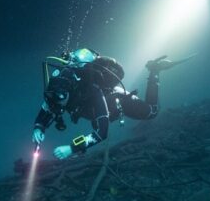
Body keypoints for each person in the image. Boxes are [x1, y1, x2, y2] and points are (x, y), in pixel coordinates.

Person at [31, 48, 189, 160]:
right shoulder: (57, 88)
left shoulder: (93, 91)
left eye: (60, 99)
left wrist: (72, 148)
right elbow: (47, 108)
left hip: (119, 101)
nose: (56, 105)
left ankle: (154, 70)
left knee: (152, 112)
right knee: (91, 121)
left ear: (70, 92)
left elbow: (102, 133)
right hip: (93, 111)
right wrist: (39, 127)